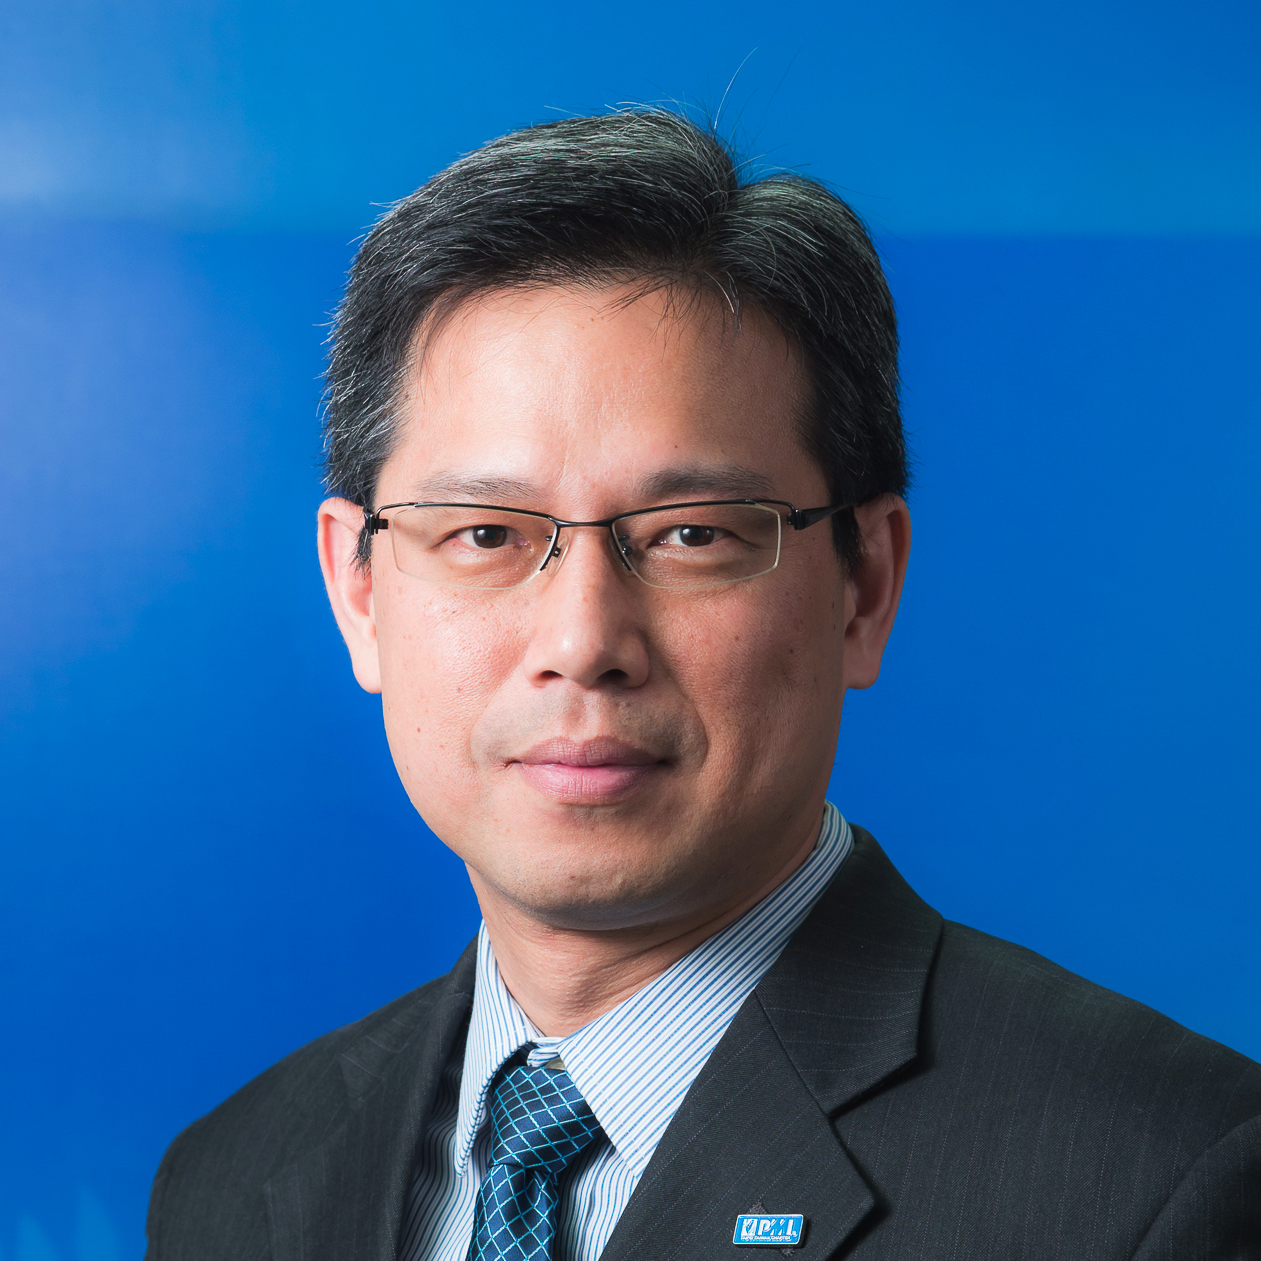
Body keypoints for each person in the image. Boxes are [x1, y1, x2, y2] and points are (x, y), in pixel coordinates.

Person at [144, 110, 1261, 1261]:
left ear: (864, 587)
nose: (583, 640)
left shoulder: (1160, 1184)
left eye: (690, 535)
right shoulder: (235, 1180)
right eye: (484, 533)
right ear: (358, 590)